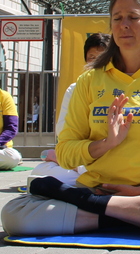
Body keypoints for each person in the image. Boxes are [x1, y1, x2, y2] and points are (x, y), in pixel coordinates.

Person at [1, 0, 140, 238]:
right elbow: (66, 153)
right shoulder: (90, 80)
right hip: (96, 189)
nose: (124, 25)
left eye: (133, 17)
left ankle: (100, 213)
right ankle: (130, 217)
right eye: (117, 18)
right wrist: (106, 144)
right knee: (13, 213)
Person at [31, 33, 111, 185]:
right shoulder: (75, 88)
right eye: (91, 57)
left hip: (109, 158)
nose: (96, 63)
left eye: (102, 57)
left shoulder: (119, 89)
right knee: (40, 171)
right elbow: (63, 130)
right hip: (81, 155)